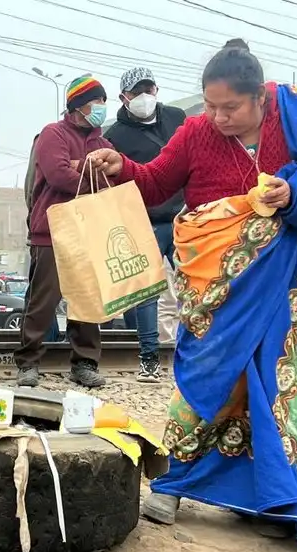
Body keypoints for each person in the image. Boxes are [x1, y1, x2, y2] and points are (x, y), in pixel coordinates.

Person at [88, 39, 297, 547]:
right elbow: (154, 184)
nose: (219, 117)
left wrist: (296, 194)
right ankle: (174, 480)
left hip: (290, 280)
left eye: (231, 107)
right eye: (210, 105)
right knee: (207, 372)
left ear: (260, 96)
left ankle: (274, 498)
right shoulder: (195, 132)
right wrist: (120, 168)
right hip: (217, 281)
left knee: (283, 381)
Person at [14, 75, 113, 389]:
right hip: (52, 230)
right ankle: (28, 363)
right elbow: (58, 175)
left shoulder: (104, 144)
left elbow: (111, 182)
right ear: (78, 105)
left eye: (102, 102)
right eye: (96, 101)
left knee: (87, 299)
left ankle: (85, 363)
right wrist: (89, 172)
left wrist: (77, 166)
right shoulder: (52, 134)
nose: (101, 108)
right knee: (42, 301)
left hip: (89, 231)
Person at [104, 66, 186, 382]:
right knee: (147, 296)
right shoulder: (115, 136)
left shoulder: (177, 119)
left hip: (183, 218)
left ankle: (199, 355)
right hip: (143, 222)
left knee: (198, 287)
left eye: (148, 89)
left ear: (157, 90)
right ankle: (149, 360)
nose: (144, 96)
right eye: (137, 91)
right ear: (124, 97)